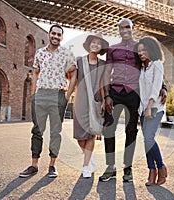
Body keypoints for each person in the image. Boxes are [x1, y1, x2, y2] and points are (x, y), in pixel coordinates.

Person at [99, 18, 167, 182]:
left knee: (131, 131)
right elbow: (107, 72)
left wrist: (163, 86)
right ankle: (110, 168)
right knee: (109, 129)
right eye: (121, 27)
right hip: (114, 92)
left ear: (132, 28)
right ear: (118, 30)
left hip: (133, 94)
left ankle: (127, 168)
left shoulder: (139, 48)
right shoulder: (113, 49)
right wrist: (107, 96)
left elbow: (150, 65)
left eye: (127, 27)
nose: (124, 30)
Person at [19, 24, 77, 178]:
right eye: (54, 34)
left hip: (58, 95)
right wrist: (34, 94)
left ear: (62, 37)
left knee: (55, 132)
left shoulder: (67, 54)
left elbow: (74, 75)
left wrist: (67, 96)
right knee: (37, 130)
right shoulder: (40, 53)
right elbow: (36, 73)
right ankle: (34, 165)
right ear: (49, 35)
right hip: (41, 95)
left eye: (59, 34)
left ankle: (52, 165)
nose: (56, 37)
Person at [73, 33, 109, 178]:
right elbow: (71, 79)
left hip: (95, 101)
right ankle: (91, 157)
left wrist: (104, 101)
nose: (95, 45)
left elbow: (103, 83)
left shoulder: (103, 64)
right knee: (80, 136)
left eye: (98, 43)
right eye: (93, 42)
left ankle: (85, 166)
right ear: (89, 44)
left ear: (101, 47)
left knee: (91, 134)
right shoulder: (79, 61)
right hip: (80, 101)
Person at [134, 36, 167, 186]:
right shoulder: (142, 67)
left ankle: (160, 167)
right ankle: (151, 171)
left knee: (148, 138)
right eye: (139, 51)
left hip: (155, 108)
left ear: (151, 49)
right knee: (146, 141)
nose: (141, 53)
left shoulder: (157, 64)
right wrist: (142, 108)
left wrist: (149, 107)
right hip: (143, 108)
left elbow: (156, 86)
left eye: (144, 50)